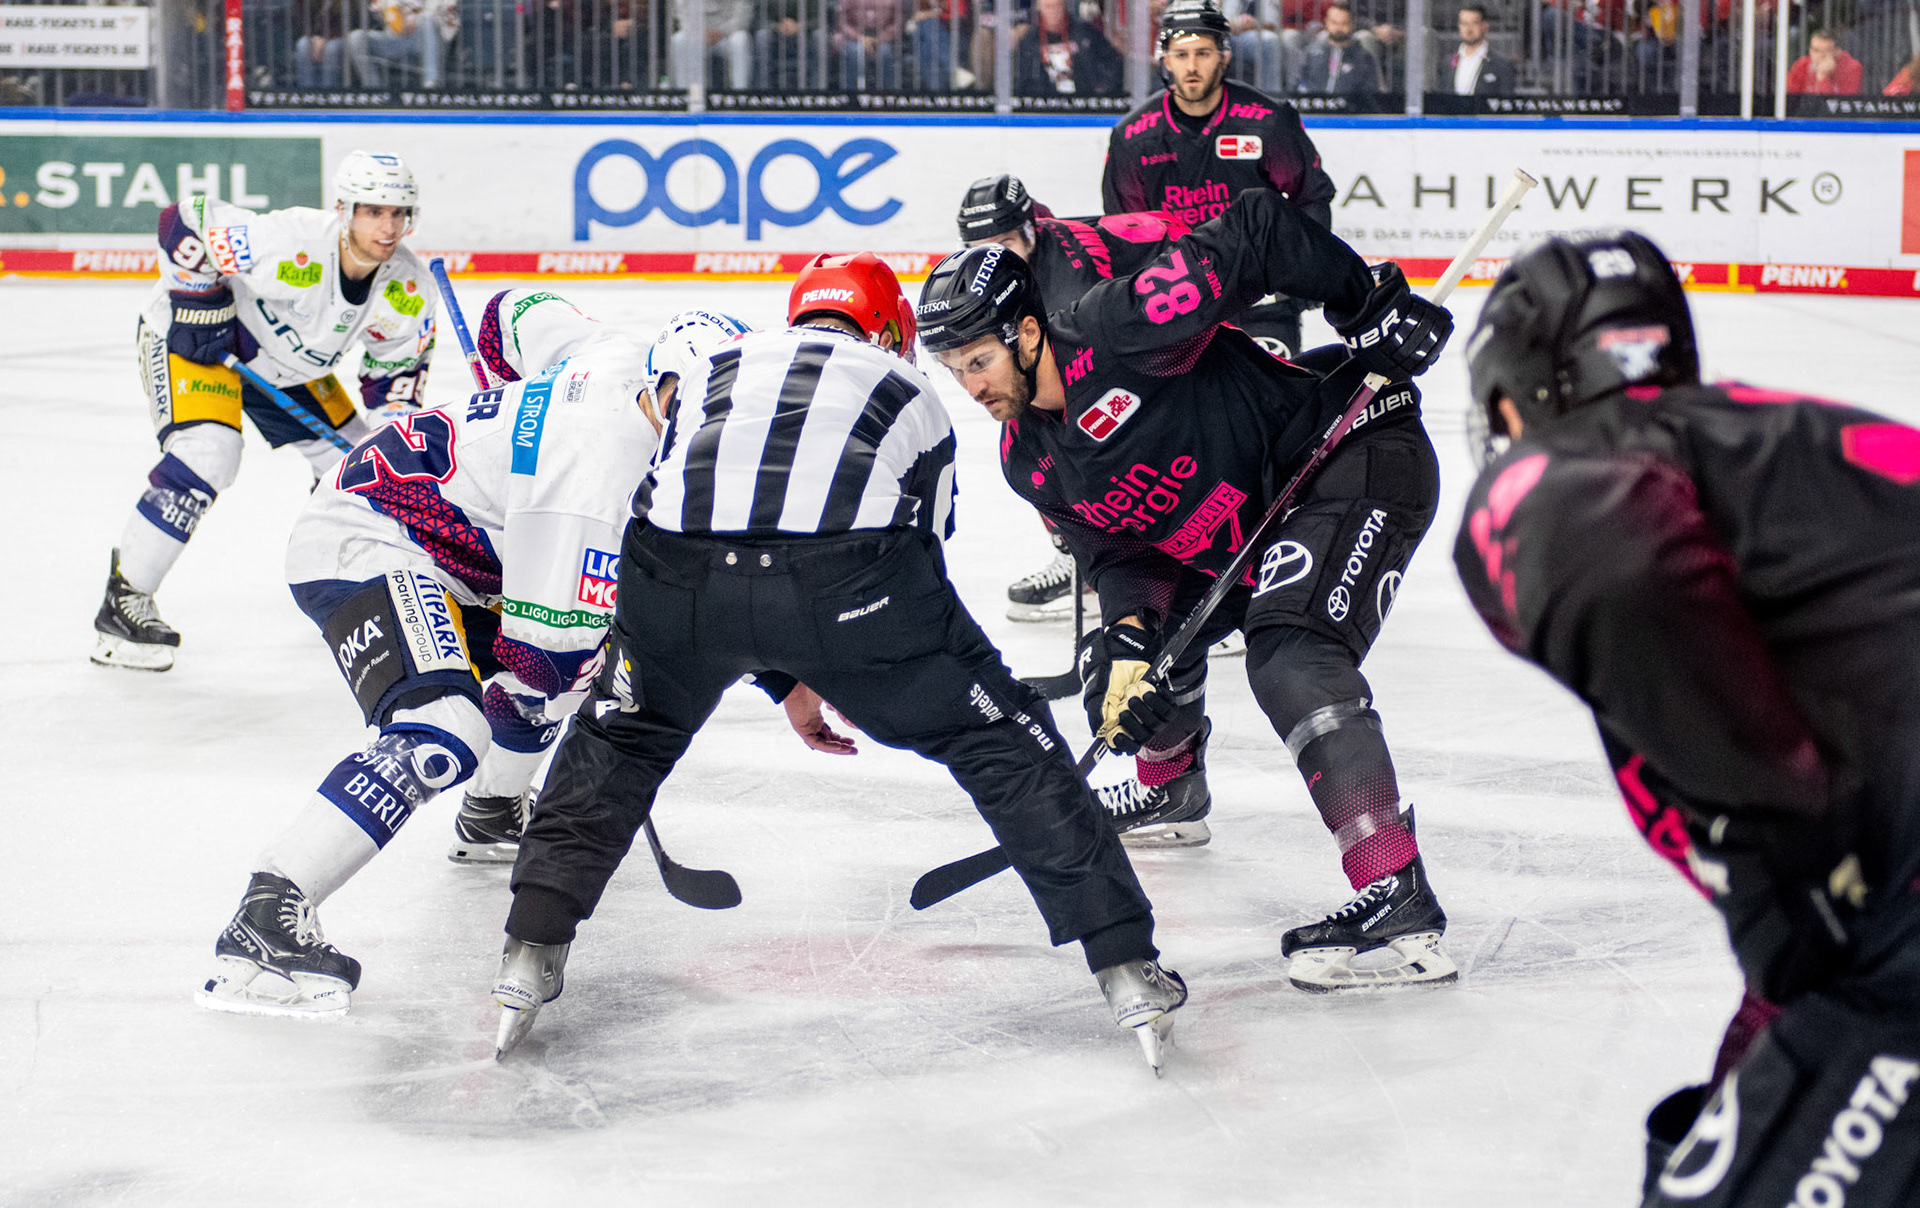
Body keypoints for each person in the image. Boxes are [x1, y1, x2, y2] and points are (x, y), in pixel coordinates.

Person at [490, 254, 1187, 1072]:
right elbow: (921, 552)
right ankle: (1126, 966)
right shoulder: (910, 388)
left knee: (621, 737)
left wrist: (782, 670)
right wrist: (851, 662)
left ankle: (528, 952)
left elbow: (699, 505)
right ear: (892, 331)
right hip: (852, 586)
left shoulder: (722, 361)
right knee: (1003, 737)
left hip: (673, 578)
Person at [1453, 229, 1920, 1207]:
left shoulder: (1564, 466)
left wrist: (1786, 865)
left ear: (1522, 393)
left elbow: (1606, 556)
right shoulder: (1787, 446)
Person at [916, 190, 1461, 992]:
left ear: (1027, 332)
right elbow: (1118, 550)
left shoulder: (1119, 330)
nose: (970, 386)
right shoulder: (1028, 460)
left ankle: (1394, 887)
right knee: (1120, 668)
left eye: (979, 361)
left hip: (1351, 449)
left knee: (1289, 655)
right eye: (953, 368)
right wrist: (1131, 637)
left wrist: (1366, 306)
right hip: (1252, 534)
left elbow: (1260, 227)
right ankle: (1172, 787)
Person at [198, 301, 777, 1016]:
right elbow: (544, 666)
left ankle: (493, 814)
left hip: (456, 548)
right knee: (448, 730)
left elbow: (513, 312)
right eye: (691, 413)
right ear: (665, 386)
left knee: (535, 679)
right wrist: (612, 642)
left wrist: (514, 414)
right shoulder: (595, 478)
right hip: (370, 536)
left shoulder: (623, 349)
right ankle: (265, 918)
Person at [91, 152, 436, 673]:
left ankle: (343, 581)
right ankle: (125, 601)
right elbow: (185, 219)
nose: (387, 227)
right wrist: (199, 301)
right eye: (373, 211)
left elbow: (395, 387)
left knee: (364, 467)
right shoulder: (291, 241)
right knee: (210, 454)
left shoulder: (408, 290)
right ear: (344, 209)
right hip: (202, 342)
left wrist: (395, 452)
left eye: (398, 214)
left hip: (290, 369)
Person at [1102, 0, 1337, 359]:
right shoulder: (1132, 137)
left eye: (1203, 53)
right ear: (1164, 60)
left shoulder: (1267, 121)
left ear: (1224, 56)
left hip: (1261, 290)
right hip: (1177, 299)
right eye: (1181, 55)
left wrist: (1304, 270)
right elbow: (1125, 229)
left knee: (1272, 402)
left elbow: (1311, 195)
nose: (1192, 66)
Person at [1012, 0, 1122, 96]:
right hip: (1043, 103)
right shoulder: (1029, 39)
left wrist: (1102, 88)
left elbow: (1111, 61)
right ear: (1039, 8)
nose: (1053, 11)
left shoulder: (1085, 31)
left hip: (1085, 99)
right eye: (1048, 6)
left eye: (1057, 5)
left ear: (1064, 5)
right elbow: (1020, 76)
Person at [834, 0, 904, 89]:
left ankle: (887, 100)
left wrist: (881, 39)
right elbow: (841, 21)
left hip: (883, 37)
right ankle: (852, 99)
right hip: (853, 36)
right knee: (855, 53)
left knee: (885, 53)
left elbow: (898, 21)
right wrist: (860, 38)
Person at [1292, 0, 1377, 96]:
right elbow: (1299, 82)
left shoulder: (1363, 57)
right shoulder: (1311, 53)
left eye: (1344, 23)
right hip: (1314, 107)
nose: (1339, 28)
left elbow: (1369, 91)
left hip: (1349, 108)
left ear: (1352, 24)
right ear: (1326, 22)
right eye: (1334, 23)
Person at [1448, 2, 1514, 95]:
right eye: (1464, 23)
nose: (1468, 29)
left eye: (1474, 23)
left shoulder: (1502, 65)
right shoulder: (1447, 63)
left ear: (1485, 26)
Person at [1787, 28, 1863, 96]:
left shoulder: (1852, 67)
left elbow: (1840, 104)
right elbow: (1790, 98)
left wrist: (1823, 77)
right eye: (1816, 50)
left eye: (1826, 51)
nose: (1820, 56)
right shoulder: (1801, 64)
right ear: (1810, 51)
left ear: (1837, 52)